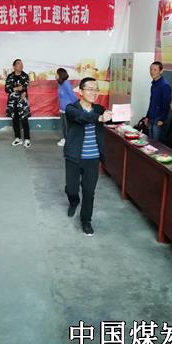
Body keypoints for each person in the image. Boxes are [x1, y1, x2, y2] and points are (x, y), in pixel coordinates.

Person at [64, 77, 112, 236]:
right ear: (80, 91)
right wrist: (99, 118)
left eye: (96, 89)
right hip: (74, 156)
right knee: (71, 188)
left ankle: (86, 220)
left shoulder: (99, 109)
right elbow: (80, 117)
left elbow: (110, 119)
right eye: (90, 89)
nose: (94, 92)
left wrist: (120, 115)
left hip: (92, 158)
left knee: (89, 191)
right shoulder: (71, 108)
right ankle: (73, 201)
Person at [5, 59, 31, 148]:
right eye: (19, 64)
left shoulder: (25, 76)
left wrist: (17, 89)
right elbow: (6, 89)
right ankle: (17, 138)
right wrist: (16, 88)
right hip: (12, 102)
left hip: (22, 102)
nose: (21, 66)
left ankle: (27, 139)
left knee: (24, 120)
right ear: (14, 66)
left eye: (22, 64)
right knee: (15, 120)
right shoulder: (10, 76)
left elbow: (24, 87)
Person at [144, 61, 171, 141]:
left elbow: (166, 104)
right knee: (150, 141)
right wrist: (147, 116)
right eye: (151, 69)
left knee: (156, 143)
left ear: (161, 71)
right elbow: (152, 102)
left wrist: (162, 119)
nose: (152, 72)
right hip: (151, 117)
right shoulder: (154, 84)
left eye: (155, 70)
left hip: (158, 118)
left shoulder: (165, 85)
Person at [56, 67, 78, 147]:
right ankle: (65, 138)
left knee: (67, 125)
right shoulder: (59, 83)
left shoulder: (66, 83)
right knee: (63, 125)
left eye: (56, 74)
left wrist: (76, 104)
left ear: (60, 74)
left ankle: (68, 140)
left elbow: (72, 95)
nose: (55, 75)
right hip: (62, 108)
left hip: (67, 108)